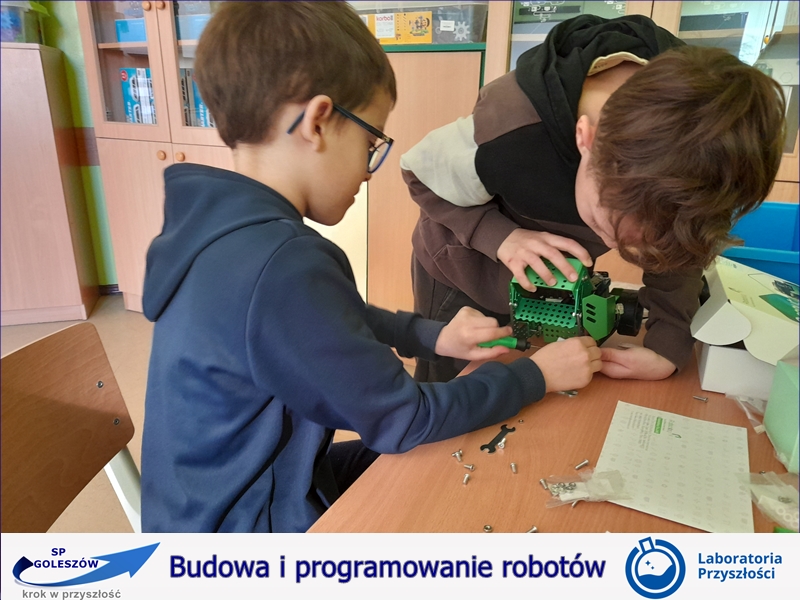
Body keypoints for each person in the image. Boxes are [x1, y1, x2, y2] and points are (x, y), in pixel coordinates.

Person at [139, 2, 601, 534]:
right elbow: (404, 418)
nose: (367, 170)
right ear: (318, 122)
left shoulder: (222, 231)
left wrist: (433, 336)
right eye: (370, 140)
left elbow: (330, 320)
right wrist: (537, 375)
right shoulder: (282, 263)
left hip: (234, 492)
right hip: (240, 535)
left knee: (443, 455)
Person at [402, 14, 786, 383]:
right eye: (603, 225)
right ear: (584, 139)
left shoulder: (701, 140)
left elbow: (679, 244)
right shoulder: (509, 123)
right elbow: (419, 173)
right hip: (461, 270)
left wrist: (668, 344)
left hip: (551, 287)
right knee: (449, 384)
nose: (612, 246)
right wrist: (500, 237)